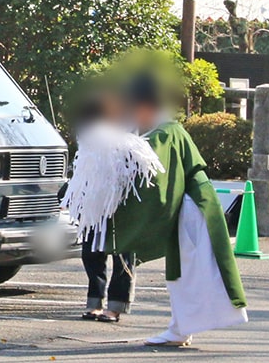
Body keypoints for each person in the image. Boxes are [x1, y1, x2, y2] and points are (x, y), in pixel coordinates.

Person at [111, 72, 248, 346]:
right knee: (191, 272)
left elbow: (155, 180)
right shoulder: (166, 130)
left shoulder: (164, 134)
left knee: (190, 273)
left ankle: (180, 329)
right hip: (194, 207)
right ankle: (180, 328)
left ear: (145, 107)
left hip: (191, 208)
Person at [65, 95, 138, 323]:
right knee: (91, 252)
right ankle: (94, 301)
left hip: (122, 200)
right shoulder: (88, 134)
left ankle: (116, 306)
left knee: (122, 254)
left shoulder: (129, 131)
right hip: (93, 202)